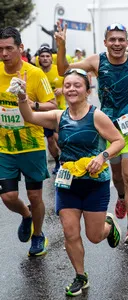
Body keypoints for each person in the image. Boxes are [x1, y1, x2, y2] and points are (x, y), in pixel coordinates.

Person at [17, 68, 125, 297]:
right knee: (70, 232)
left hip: (95, 184)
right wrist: (22, 97)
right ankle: (80, 276)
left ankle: (108, 225)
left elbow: (118, 141)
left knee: (94, 236)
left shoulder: (96, 116)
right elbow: (29, 117)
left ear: (87, 90)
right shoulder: (59, 116)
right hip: (68, 184)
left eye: (77, 85)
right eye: (68, 85)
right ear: (63, 90)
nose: (72, 89)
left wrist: (102, 157)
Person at [55, 22, 128, 246]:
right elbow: (64, 70)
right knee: (118, 177)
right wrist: (61, 46)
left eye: (121, 39)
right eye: (112, 39)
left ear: (127, 42)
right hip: (107, 129)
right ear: (105, 42)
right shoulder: (96, 61)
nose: (117, 43)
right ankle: (121, 197)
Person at [0, 27, 57, 256]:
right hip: (4, 147)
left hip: (31, 145)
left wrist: (29, 103)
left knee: (35, 196)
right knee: (8, 197)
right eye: (0, 49)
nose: (4, 53)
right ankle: (27, 215)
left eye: (9, 48)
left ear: (20, 48)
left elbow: (52, 105)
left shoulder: (35, 74)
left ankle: (38, 234)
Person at [38, 45, 65, 174]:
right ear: (38, 58)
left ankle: (66, 160)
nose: (45, 59)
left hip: (61, 110)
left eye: (47, 56)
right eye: (42, 56)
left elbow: (74, 83)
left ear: (51, 58)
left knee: (58, 137)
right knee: (50, 140)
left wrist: (63, 90)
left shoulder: (59, 70)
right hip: (44, 112)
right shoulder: (36, 72)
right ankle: (57, 161)